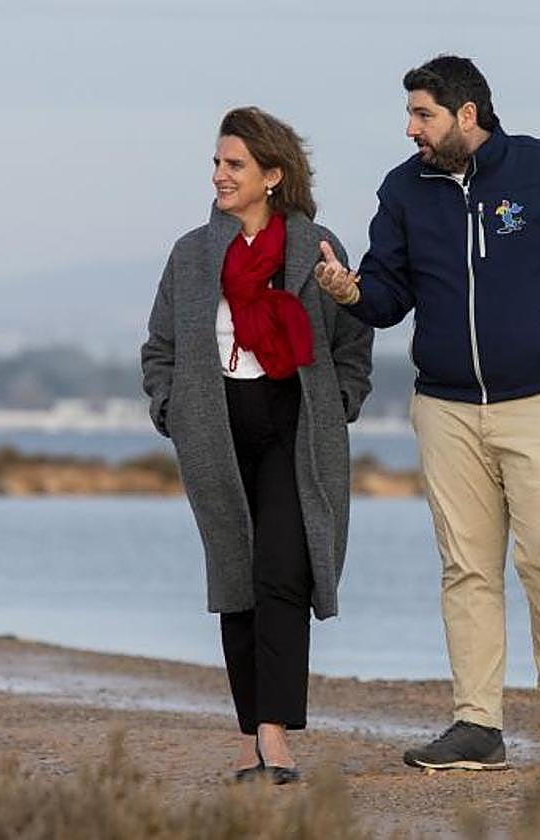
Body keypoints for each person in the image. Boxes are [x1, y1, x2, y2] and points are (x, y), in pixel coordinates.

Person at [314, 55, 540, 769]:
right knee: (467, 568)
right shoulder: (403, 190)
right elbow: (388, 298)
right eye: (410, 115)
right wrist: (348, 292)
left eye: (422, 114)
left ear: (467, 114)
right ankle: (476, 725)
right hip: (447, 408)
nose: (410, 129)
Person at [141, 106, 373, 784]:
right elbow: (160, 347)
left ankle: (274, 734)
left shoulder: (315, 247)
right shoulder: (191, 255)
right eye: (217, 162)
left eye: (234, 164)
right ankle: (249, 738)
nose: (219, 175)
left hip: (295, 423)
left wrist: (340, 402)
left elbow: (354, 337)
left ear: (273, 175)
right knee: (237, 577)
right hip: (214, 423)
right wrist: (171, 408)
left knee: (283, 570)